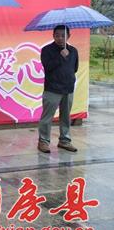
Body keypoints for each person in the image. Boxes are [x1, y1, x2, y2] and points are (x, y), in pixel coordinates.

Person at [37, 25, 79, 153]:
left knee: (66, 117)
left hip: (68, 89)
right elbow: (48, 67)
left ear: (68, 36)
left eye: (63, 35)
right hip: (52, 89)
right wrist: (60, 56)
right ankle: (43, 141)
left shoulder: (73, 51)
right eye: (57, 35)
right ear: (53, 36)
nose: (60, 38)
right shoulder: (47, 50)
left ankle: (64, 140)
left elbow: (75, 68)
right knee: (47, 117)